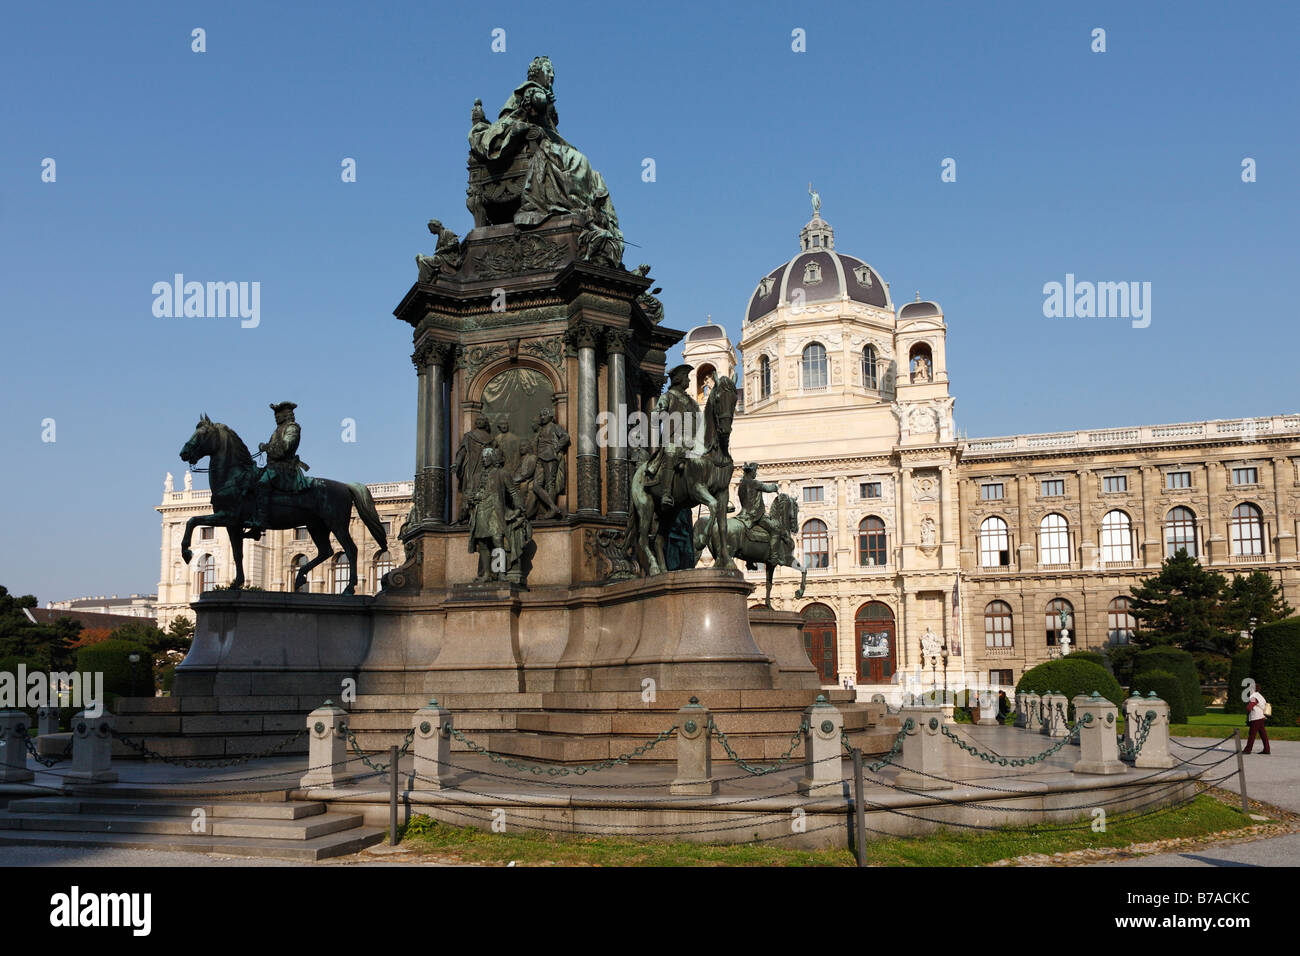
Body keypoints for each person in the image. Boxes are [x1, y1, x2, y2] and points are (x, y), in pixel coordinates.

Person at [250, 401, 311, 531]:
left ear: (286, 414)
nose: (276, 416)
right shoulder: (277, 430)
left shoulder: (292, 428)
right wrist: (265, 447)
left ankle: (262, 520)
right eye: (275, 414)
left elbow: (285, 448)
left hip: (285, 468)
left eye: (278, 413)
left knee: (262, 483)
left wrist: (266, 447)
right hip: (273, 467)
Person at [1244, 686, 1272, 755]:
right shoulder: (1260, 696)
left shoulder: (1253, 696)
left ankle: (1247, 750)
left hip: (1256, 718)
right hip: (1261, 717)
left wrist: (1247, 708)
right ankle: (1267, 750)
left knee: (1252, 734)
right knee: (1263, 734)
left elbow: (1249, 707)